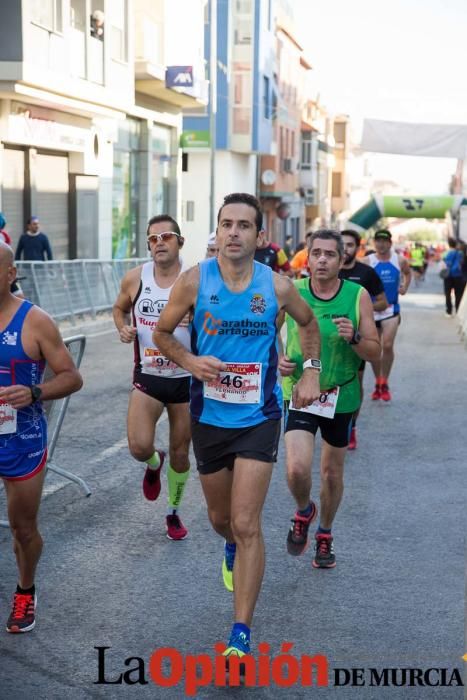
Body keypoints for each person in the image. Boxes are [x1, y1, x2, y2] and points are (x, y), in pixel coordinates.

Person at [154, 192, 320, 663]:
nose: (232, 232)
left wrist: (310, 371)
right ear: (218, 231)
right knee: (221, 521)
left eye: (243, 226)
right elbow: (163, 333)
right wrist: (189, 359)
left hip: (259, 417)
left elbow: (309, 326)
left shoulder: (278, 287)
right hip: (208, 416)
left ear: (259, 236)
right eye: (225, 224)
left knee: (247, 523)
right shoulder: (193, 281)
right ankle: (230, 544)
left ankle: (240, 631)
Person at [280, 229, 380, 568]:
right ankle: (305, 510)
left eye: (330, 254)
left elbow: (374, 351)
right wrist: (276, 357)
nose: (322, 259)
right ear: (307, 258)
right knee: (296, 468)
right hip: (299, 390)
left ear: (342, 260)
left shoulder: (357, 296)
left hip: (341, 393)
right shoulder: (293, 291)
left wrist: (354, 339)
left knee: (332, 474)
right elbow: (268, 333)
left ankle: (325, 532)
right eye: (316, 253)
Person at [0, 241, 82, 633]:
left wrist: (33, 392)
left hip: (22, 439)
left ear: (11, 274)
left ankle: (25, 590)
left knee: (23, 528)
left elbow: (71, 376)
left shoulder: (35, 322)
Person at [113, 215, 191, 541]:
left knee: (181, 453)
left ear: (180, 242)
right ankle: (152, 461)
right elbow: (118, 309)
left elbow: (217, 322)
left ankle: (173, 512)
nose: (159, 243)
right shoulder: (135, 278)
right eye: (153, 239)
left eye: (166, 236)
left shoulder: (195, 280)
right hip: (148, 374)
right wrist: (123, 327)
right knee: (138, 445)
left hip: (187, 377)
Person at [339, 230, 388, 449]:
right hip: (327, 337)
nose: (345, 249)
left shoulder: (367, 273)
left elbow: (383, 303)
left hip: (356, 338)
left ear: (357, 248)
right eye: (342, 245)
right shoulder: (327, 270)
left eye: (350, 245)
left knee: (355, 383)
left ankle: (352, 426)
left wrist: (361, 309)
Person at [365, 229, 411, 403]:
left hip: (391, 309)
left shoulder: (399, 260)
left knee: (388, 344)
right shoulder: (368, 261)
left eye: (384, 241)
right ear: (374, 243)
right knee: (376, 349)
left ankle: (385, 381)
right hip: (372, 309)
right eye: (378, 241)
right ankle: (378, 381)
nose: (381, 244)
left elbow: (408, 273)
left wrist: (405, 288)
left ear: (390, 243)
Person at [441, 237, 465, 317]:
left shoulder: (446, 253)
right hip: (458, 275)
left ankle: (449, 311)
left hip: (448, 275)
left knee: (447, 293)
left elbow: (443, 264)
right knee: (458, 294)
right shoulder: (460, 253)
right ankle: (458, 310)